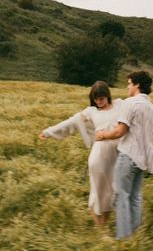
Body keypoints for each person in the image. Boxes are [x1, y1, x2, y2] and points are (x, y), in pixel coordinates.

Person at [95, 71, 153, 239]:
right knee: (135, 196)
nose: (127, 86)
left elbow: (119, 131)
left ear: (137, 85)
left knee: (121, 195)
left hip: (128, 155)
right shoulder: (150, 106)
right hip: (144, 158)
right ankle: (134, 235)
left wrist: (103, 135)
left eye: (129, 83)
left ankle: (123, 238)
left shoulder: (129, 103)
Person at [38, 81, 123, 235]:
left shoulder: (119, 105)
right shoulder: (91, 111)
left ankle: (104, 226)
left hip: (115, 157)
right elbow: (71, 122)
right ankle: (102, 232)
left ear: (108, 96)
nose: (99, 102)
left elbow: (140, 107)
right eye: (96, 99)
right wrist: (48, 132)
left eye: (102, 98)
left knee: (110, 193)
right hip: (99, 156)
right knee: (98, 192)